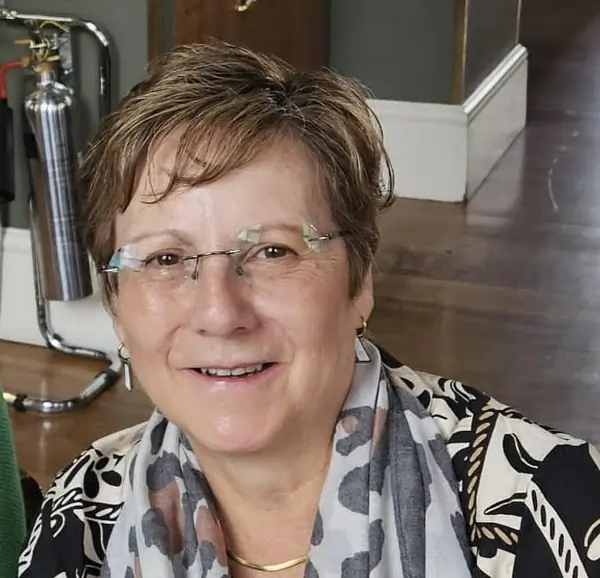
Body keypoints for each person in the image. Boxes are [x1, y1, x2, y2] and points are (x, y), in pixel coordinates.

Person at [16, 41, 600, 578]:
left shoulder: (551, 504)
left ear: (359, 282)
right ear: (117, 308)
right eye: (165, 259)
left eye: (273, 251)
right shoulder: (82, 513)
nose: (219, 313)